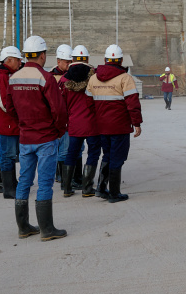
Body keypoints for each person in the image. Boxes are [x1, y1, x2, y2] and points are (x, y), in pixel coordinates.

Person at [4, 35, 67, 241]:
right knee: (45, 183)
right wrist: (58, 130)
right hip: (46, 137)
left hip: (25, 138)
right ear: (42, 55)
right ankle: (46, 229)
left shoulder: (13, 78)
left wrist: (23, 123)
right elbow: (58, 110)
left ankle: (24, 227)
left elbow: (10, 107)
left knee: (24, 181)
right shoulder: (46, 78)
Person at [87, 44, 142, 202]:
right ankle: (114, 193)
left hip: (102, 126)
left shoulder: (93, 78)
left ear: (105, 60)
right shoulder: (125, 78)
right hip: (120, 126)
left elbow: (89, 103)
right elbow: (132, 104)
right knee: (117, 157)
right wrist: (136, 123)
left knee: (107, 155)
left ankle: (101, 188)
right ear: (121, 60)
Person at [0, 46, 24, 199]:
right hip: (8, 121)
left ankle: (8, 183)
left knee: (7, 153)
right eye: (17, 59)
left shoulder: (7, 74)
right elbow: (4, 102)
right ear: (8, 60)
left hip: (10, 121)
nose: (20, 62)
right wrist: (19, 114)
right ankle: (8, 188)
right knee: (8, 154)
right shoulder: (1, 76)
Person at [59, 60, 100, 198]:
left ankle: (67, 187)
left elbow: (62, 105)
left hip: (74, 124)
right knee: (93, 153)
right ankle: (87, 188)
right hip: (91, 124)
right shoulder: (93, 81)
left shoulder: (65, 84)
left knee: (71, 153)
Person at [51, 45, 73, 185]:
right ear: (58, 61)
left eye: (71, 61)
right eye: (66, 62)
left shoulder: (72, 76)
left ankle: (70, 175)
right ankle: (62, 176)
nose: (69, 64)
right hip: (60, 118)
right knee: (63, 149)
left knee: (74, 149)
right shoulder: (51, 77)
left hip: (72, 118)